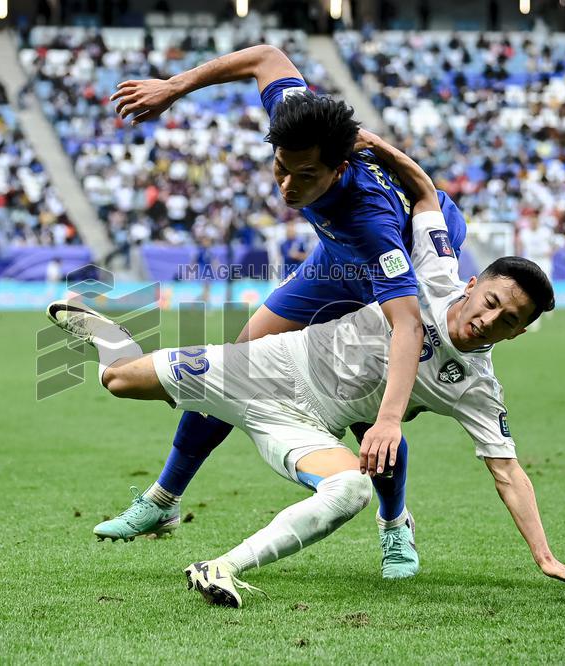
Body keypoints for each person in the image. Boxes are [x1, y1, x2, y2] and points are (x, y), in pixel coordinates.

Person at [45, 197, 565, 606]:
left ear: (517, 334)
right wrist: (376, 147)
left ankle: (225, 567)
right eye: (489, 302)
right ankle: (109, 343)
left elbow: (508, 472)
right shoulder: (434, 273)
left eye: (507, 321)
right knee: (118, 380)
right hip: (266, 366)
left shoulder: (478, 386)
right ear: (471, 285)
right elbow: (422, 193)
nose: (488, 320)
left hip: (309, 425)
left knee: (351, 487)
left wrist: (544, 556)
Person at [102, 45, 470, 580]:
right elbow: (267, 57)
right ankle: (164, 499)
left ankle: (394, 525)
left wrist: (391, 416)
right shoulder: (303, 121)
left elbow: (408, 324)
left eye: (304, 176)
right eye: (280, 168)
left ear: (339, 168)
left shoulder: (372, 223)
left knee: (365, 405)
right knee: (236, 363)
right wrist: (174, 87)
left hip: (396, 268)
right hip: (334, 259)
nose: (287, 186)